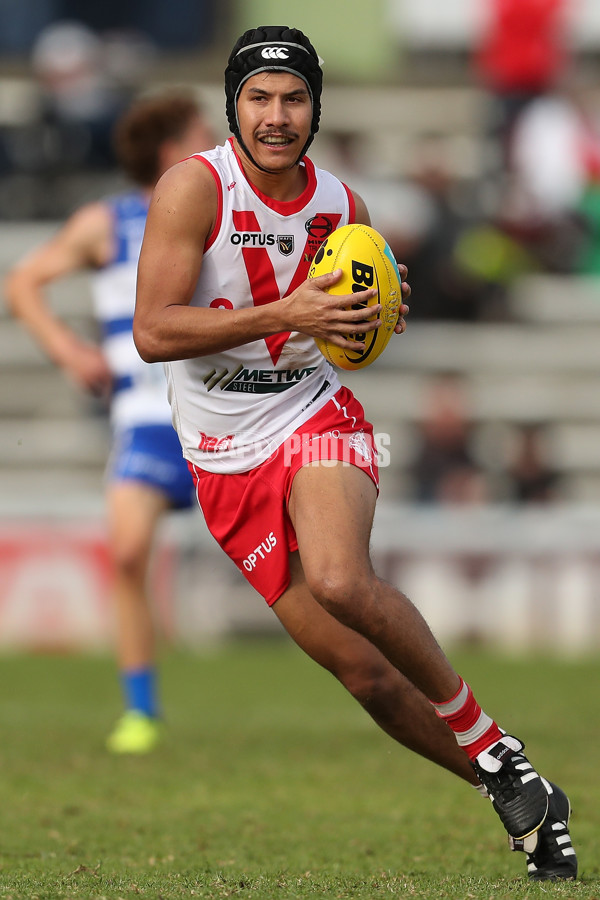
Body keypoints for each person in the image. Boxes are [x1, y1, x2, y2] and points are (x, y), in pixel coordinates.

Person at [133, 26, 577, 880]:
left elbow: (356, 331)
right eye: (259, 98)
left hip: (315, 412)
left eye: (293, 98)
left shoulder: (347, 208)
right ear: (233, 106)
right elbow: (155, 331)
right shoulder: (193, 191)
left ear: (316, 108)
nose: (276, 116)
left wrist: (379, 315)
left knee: (341, 579)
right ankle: (516, 785)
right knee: (366, 678)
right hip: (221, 451)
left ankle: (490, 743)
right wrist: (287, 314)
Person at [4, 90, 216, 754]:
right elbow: (23, 282)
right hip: (147, 421)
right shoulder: (110, 222)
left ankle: (372, 680)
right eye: (202, 135)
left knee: (305, 573)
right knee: (126, 552)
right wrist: (69, 351)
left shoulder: (222, 214)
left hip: (222, 414)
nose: (217, 146)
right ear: (169, 151)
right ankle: (141, 710)